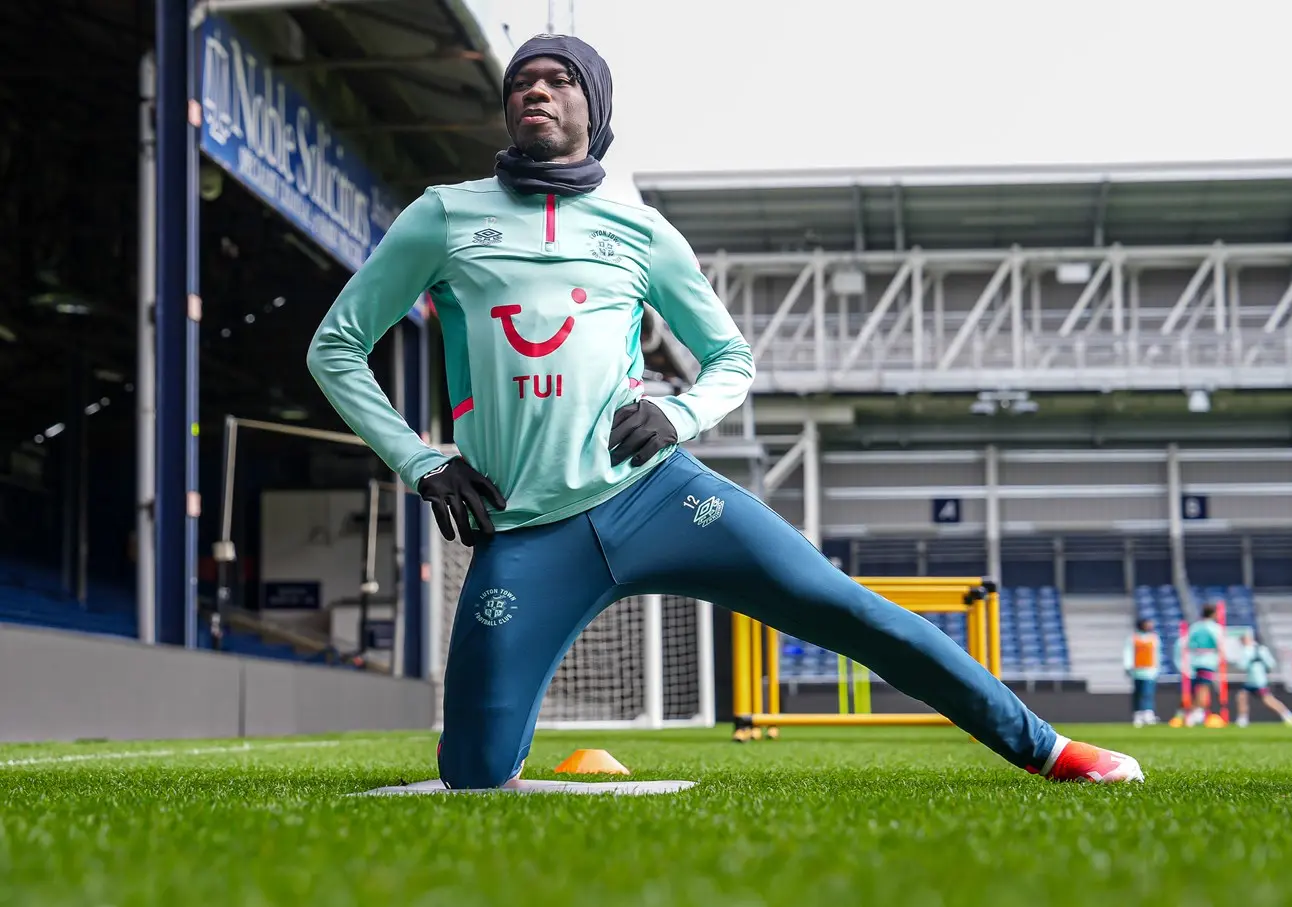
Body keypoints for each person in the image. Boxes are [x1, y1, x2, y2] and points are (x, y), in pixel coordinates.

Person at [306, 34, 1143, 787]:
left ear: (593, 109)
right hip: (525, 527)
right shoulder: (444, 215)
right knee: (474, 777)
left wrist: (679, 417)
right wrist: (421, 458)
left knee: (848, 608)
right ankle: (506, 725)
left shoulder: (641, 231)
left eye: (561, 80)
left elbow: (730, 359)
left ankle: (1049, 749)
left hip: (657, 497)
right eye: (523, 79)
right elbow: (335, 345)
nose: (537, 89)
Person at [1232, 630, 1292, 727]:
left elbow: (1242, 665)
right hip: (1254, 680)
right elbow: (1271, 664)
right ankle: (1243, 718)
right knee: (1242, 696)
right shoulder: (1261, 649)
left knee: (1267, 699)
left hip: (1257, 680)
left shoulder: (1249, 650)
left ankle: (1287, 715)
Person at [1178, 604, 1228, 726]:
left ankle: (1190, 712)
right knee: (1203, 687)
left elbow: (1185, 644)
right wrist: (1222, 658)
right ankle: (1196, 712)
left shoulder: (1195, 627)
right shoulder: (1214, 628)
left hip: (1194, 661)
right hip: (1208, 661)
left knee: (1195, 688)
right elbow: (1220, 644)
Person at [1123, 618, 1161, 727]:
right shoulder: (1133, 638)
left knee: (1148, 693)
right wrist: (1128, 666)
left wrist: (1156, 667)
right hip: (1137, 670)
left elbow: (1156, 654)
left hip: (1149, 670)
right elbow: (1128, 652)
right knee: (1138, 693)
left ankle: (1148, 713)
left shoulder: (1153, 638)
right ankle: (1138, 714)